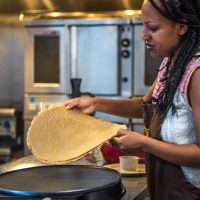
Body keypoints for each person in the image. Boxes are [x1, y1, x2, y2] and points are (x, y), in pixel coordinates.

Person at [64, 0, 200, 199]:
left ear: (182, 26)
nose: (143, 35)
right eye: (143, 25)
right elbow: (145, 106)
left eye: (152, 27)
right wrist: (95, 103)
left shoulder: (196, 73)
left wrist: (144, 144)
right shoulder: (170, 64)